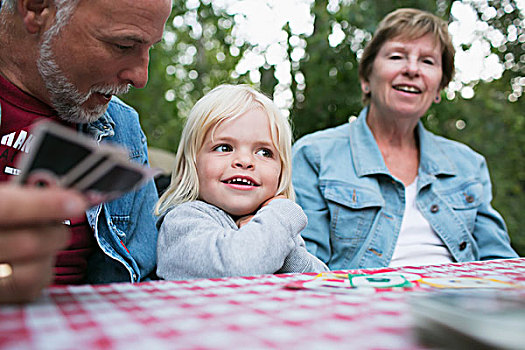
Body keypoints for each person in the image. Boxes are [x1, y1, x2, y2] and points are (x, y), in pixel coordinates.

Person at [292, 8, 518, 270]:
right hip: (361, 302)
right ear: (366, 79)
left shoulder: (468, 164)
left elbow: (501, 262)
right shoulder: (314, 155)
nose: (412, 69)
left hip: (461, 304)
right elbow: (306, 269)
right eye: (397, 56)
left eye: (428, 61)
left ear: (439, 89)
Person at [0, 0, 172, 302]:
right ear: (36, 9)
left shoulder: (124, 128)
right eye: (123, 45)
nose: (140, 77)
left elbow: (142, 278)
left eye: (150, 48)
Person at [155, 84, 328, 280]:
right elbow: (238, 265)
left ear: (281, 172)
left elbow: (320, 280)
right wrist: (283, 211)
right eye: (224, 148)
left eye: (264, 152)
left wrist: (285, 248)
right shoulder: (182, 221)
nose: (245, 161)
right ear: (191, 164)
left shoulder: (271, 224)